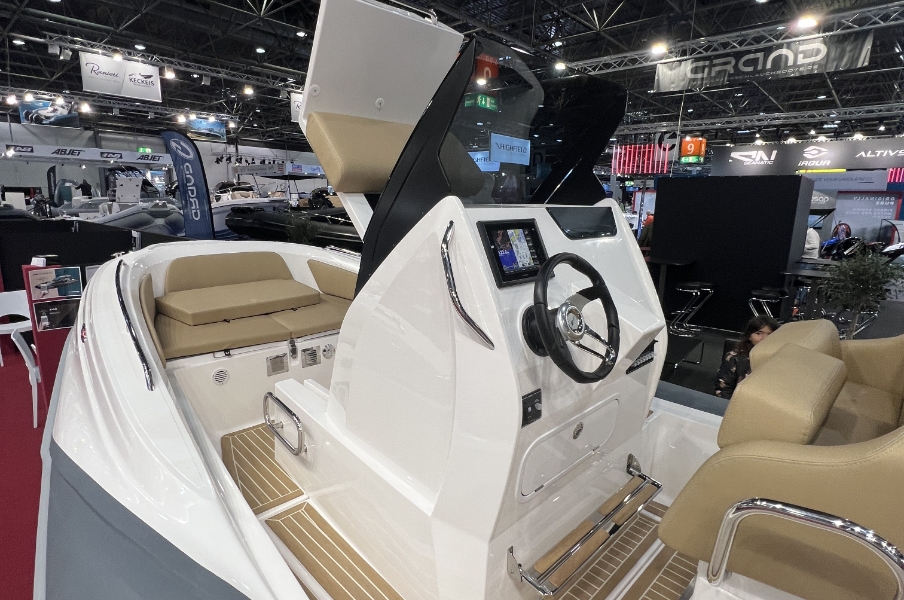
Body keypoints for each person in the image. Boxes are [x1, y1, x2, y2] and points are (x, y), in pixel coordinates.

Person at [714, 316, 779, 400]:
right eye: (759, 333)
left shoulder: (779, 358)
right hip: (737, 402)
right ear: (749, 336)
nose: (764, 338)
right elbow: (723, 390)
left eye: (770, 334)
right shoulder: (735, 358)